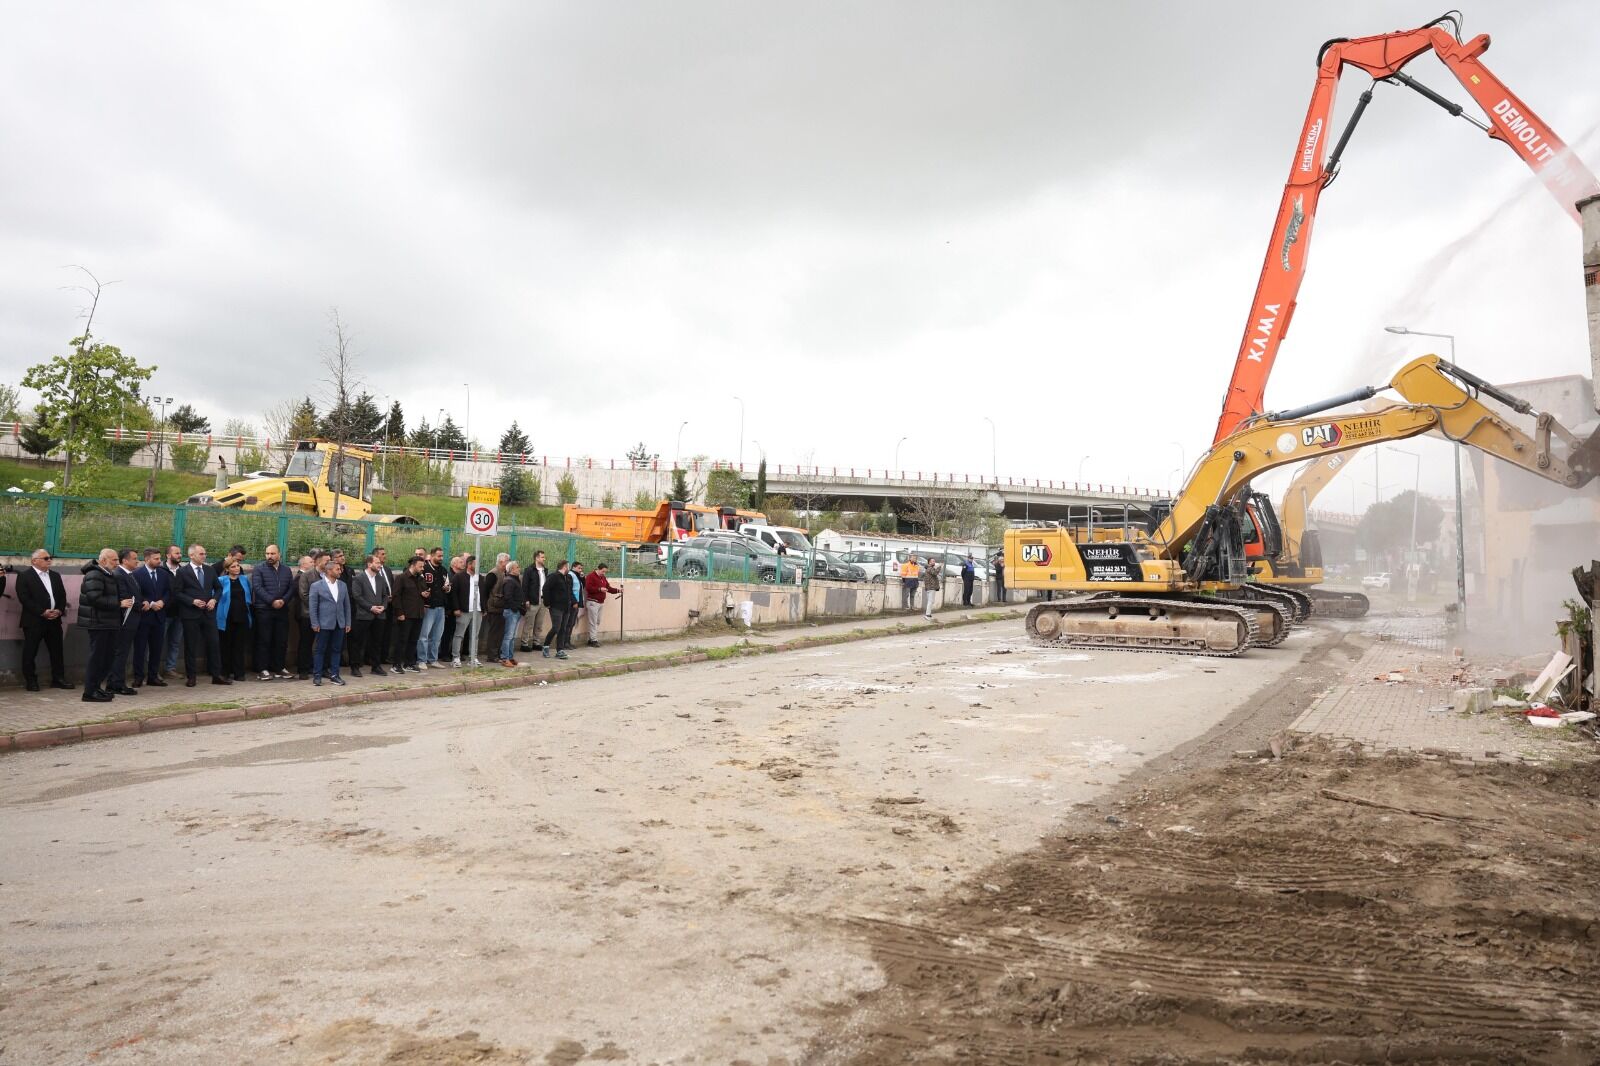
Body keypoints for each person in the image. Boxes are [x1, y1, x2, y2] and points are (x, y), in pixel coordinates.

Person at [16, 548, 71, 692]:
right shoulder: (25, 576)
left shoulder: (55, 575)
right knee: (30, 651)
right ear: (34, 561)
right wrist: (42, 612)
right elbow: (24, 598)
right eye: (46, 558)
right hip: (34, 621)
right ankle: (31, 681)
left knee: (57, 651)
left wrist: (59, 610)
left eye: (50, 558)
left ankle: (58, 679)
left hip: (54, 620)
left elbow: (62, 596)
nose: (49, 560)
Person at [173, 543, 227, 686]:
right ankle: (191, 677)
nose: (204, 556)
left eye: (204, 553)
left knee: (214, 643)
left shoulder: (209, 570)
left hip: (208, 613)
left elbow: (219, 588)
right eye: (201, 554)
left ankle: (216, 675)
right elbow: (177, 592)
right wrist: (192, 601)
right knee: (191, 645)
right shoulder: (183, 572)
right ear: (192, 555)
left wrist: (214, 600)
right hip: (190, 614)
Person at [78, 549, 126, 702]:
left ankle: (97, 688)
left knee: (107, 658)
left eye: (117, 560)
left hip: (109, 622)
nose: (117, 563)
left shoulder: (108, 574)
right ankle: (89, 692)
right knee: (97, 658)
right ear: (103, 560)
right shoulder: (94, 574)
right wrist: (119, 604)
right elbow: (94, 598)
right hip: (98, 623)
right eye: (114, 560)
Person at [103, 548, 145, 695]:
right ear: (125, 560)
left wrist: (142, 602)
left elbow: (135, 595)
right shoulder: (119, 575)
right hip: (125, 620)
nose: (137, 561)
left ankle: (116, 682)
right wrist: (141, 605)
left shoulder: (130, 575)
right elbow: (125, 597)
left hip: (132, 619)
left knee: (123, 652)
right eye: (134, 558)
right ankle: (116, 684)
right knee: (120, 652)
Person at [250, 543, 295, 680]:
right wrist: (272, 601)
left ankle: (279, 667)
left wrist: (283, 601)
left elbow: (291, 588)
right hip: (264, 610)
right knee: (264, 639)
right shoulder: (259, 569)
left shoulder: (286, 570)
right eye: (267, 554)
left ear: (279, 555)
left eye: (272, 553)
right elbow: (258, 587)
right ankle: (262, 669)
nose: (269, 556)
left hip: (282, 610)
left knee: (281, 640)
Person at [308, 558, 352, 686]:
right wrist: (315, 623)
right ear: (328, 570)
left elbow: (346, 606)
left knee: (336, 650)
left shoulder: (342, 585)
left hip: (339, 623)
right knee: (320, 650)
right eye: (337, 569)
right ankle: (317, 676)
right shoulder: (316, 586)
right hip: (323, 623)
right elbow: (313, 606)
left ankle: (335, 675)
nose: (340, 571)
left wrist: (347, 622)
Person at [133, 548, 172, 688]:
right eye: (155, 558)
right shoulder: (137, 574)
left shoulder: (163, 574)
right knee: (140, 648)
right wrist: (148, 602)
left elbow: (168, 591)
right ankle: (138, 677)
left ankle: (153, 676)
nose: (159, 561)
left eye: (159, 558)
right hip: (143, 617)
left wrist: (162, 601)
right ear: (147, 559)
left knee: (156, 649)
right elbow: (135, 592)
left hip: (159, 617)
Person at [350, 552, 392, 678]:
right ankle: (355, 667)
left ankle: (376, 666)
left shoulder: (380, 578)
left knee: (377, 642)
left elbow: (385, 595)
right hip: (363, 615)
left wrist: (383, 606)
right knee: (358, 642)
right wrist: (370, 607)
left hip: (379, 616)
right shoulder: (358, 578)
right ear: (369, 564)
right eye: (377, 563)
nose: (380, 565)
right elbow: (357, 596)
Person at [213, 558, 254, 682]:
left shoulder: (244, 579)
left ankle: (239, 672)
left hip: (242, 615)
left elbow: (249, 595)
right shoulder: (221, 580)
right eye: (233, 567)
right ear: (226, 569)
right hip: (226, 617)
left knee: (239, 645)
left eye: (237, 566)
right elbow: (215, 596)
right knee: (225, 645)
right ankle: (225, 672)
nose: (236, 569)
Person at [391, 556, 427, 673]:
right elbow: (396, 596)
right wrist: (399, 613)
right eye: (420, 566)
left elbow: (423, 592)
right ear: (413, 565)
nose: (422, 568)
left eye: (423, 566)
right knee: (402, 640)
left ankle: (409, 663)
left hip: (418, 614)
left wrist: (426, 594)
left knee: (413, 640)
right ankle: (396, 664)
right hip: (406, 615)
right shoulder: (401, 578)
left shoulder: (420, 579)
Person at [294, 551, 326, 679]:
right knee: (306, 642)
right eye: (326, 561)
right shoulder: (306, 576)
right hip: (308, 614)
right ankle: (303, 669)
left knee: (321, 643)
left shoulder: (327, 575)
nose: (329, 563)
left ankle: (319, 667)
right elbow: (304, 595)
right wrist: (318, 607)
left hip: (324, 615)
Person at [450, 554, 483, 667]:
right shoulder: (459, 577)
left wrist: (484, 607)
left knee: (475, 635)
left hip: (478, 611)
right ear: (469, 564)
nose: (478, 565)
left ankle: (473, 658)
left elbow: (483, 593)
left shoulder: (480, 577)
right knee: (459, 634)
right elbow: (453, 594)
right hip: (464, 611)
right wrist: (456, 608)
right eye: (475, 563)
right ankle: (456, 658)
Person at [417, 546, 447, 668]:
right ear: (432, 555)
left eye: (442, 556)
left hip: (441, 606)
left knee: (437, 636)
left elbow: (447, 584)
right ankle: (421, 660)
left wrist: (447, 588)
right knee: (424, 635)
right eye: (439, 556)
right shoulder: (424, 568)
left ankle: (433, 659)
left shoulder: (443, 570)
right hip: (428, 606)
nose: (441, 558)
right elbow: (418, 584)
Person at [542, 559, 575, 660]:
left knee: (563, 629)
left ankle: (560, 650)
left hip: (566, 607)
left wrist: (573, 601)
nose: (569, 569)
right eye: (568, 566)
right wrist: (547, 603)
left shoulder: (568, 577)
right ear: (564, 566)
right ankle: (546, 646)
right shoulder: (554, 576)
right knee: (556, 627)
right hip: (556, 607)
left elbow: (570, 591)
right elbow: (545, 589)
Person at [583, 562, 622, 647]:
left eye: (605, 572)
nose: (604, 573)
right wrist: (599, 589)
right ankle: (593, 640)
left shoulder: (603, 578)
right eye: (603, 571)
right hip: (593, 602)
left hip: (600, 602)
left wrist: (618, 590)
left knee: (597, 621)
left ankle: (591, 638)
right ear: (598, 569)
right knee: (593, 622)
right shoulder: (591, 576)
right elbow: (588, 588)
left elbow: (608, 588)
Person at [518, 550, 550, 654]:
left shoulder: (545, 570)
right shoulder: (529, 570)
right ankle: (524, 643)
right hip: (532, 600)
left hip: (543, 600)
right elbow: (525, 586)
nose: (544, 559)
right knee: (529, 623)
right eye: (542, 557)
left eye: (544, 557)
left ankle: (536, 642)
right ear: (536, 558)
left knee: (539, 623)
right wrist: (526, 600)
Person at [480, 553, 509, 661]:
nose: (508, 563)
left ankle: (497, 654)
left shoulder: (504, 573)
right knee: (494, 633)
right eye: (507, 561)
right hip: (493, 607)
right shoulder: (493, 574)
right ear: (501, 562)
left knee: (500, 633)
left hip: (501, 607)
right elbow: (485, 591)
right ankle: (492, 656)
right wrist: (485, 607)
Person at [161, 544, 185, 677]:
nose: (179, 555)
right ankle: (150, 670)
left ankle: (170, 668)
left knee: (175, 642)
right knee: (157, 642)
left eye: (180, 553)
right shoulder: (160, 569)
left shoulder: (183, 571)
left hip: (180, 612)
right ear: (168, 555)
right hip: (164, 613)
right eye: (176, 553)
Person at [498, 561, 525, 666]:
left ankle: (510, 657)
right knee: (508, 636)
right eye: (517, 567)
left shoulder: (515, 580)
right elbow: (508, 597)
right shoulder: (509, 581)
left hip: (515, 611)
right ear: (512, 570)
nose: (519, 569)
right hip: (511, 611)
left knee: (512, 636)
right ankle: (504, 658)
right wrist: (515, 608)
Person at [564, 562, 585, 651]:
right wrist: (574, 601)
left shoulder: (577, 576)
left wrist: (582, 577)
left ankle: (568, 642)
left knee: (572, 623)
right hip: (572, 603)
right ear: (573, 567)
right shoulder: (570, 575)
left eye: (581, 568)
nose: (580, 570)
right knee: (568, 623)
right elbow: (569, 589)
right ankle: (565, 642)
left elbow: (583, 586)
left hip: (576, 603)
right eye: (579, 568)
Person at [923, 555, 942, 621]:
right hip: (931, 587)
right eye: (933, 561)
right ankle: (927, 615)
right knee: (930, 601)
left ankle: (929, 614)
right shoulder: (930, 568)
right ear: (929, 562)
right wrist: (939, 567)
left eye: (934, 561)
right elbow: (935, 573)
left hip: (931, 587)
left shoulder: (930, 568)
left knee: (931, 601)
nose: (934, 562)